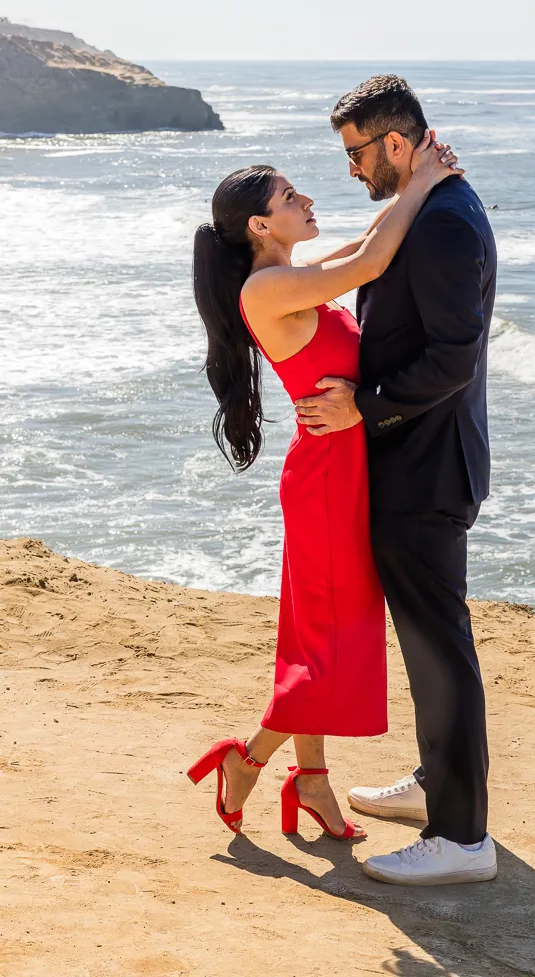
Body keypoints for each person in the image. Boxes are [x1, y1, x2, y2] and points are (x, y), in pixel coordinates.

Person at [186, 132, 463, 842]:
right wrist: (423, 185)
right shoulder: (268, 287)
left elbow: (359, 249)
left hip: (341, 468)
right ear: (258, 225)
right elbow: (372, 259)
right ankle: (245, 760)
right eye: (289, 196)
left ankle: (311, 779)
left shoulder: (290, 271)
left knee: (322, 634)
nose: (307, 199)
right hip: (326, 480)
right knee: (332, 639)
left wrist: (410, 188)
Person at [295, 75, 498, 885]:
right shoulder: (431, 203)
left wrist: (364, 408)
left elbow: (453, 356)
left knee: (439, 649)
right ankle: (434, 785)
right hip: (415, 459)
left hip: (426, 467)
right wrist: (414, 184)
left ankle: (460, 840)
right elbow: (369, 254)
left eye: (355, 153)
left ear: (397, 143)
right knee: (425, 644)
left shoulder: (446, 223)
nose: (349, 170)